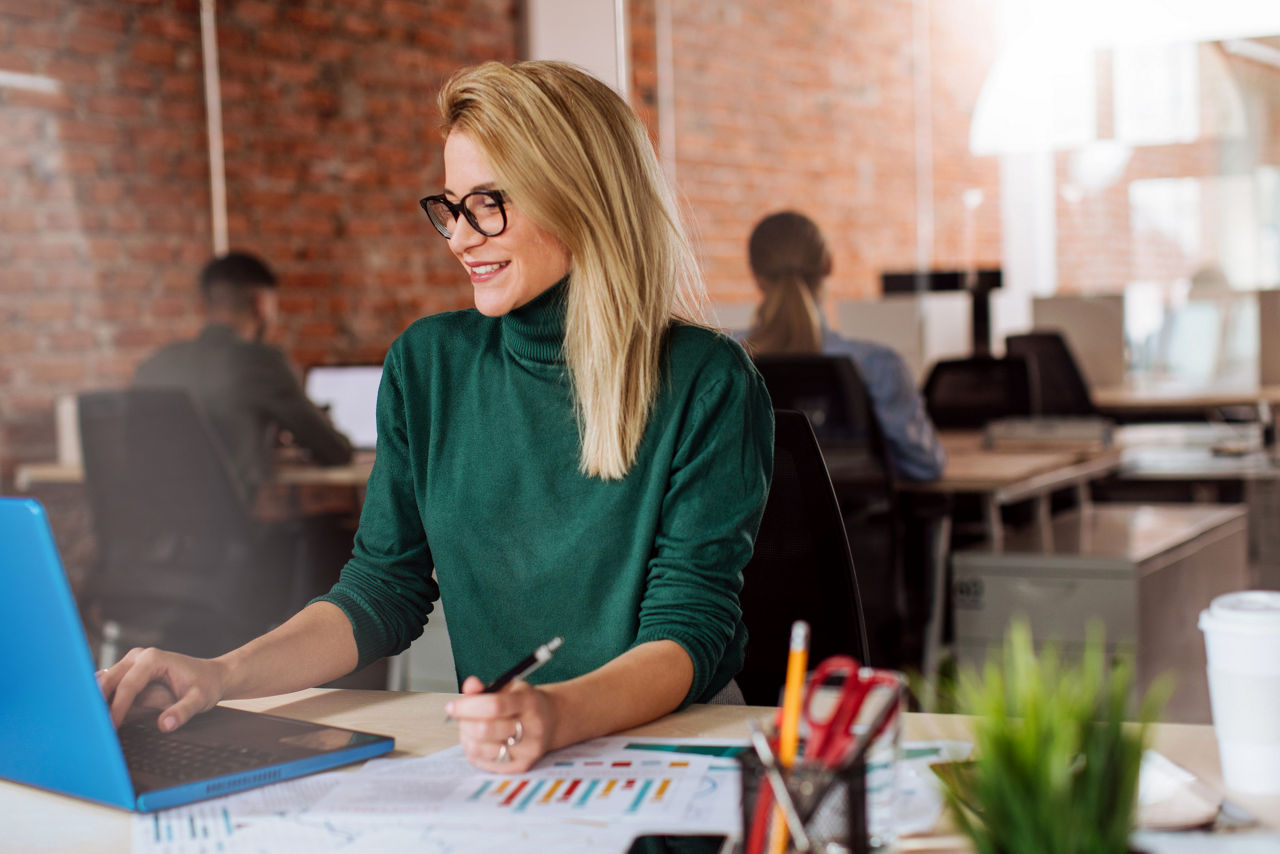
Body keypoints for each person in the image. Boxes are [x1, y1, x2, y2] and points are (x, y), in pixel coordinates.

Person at [99, 60, 774, 777]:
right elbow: (381, 590)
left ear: (579, 195)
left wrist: (557, 713)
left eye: (489, 204)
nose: (459, 238)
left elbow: (688, 630)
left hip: (674, 747)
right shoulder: (428, 365)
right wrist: (221, 674)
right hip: (511, 748)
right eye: (451, 207)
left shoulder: (705, 379)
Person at [740, 210, 945, 481]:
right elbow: (924, 465)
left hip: (755, 525)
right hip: (860, 521)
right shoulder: (878, 365)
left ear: (756, 275)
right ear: (828, 265)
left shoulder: (724, 361)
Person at [134, 251, 354, 500]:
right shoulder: (263, 362)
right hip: (228, 530)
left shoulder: (156, 364)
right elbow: (335, 451)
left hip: (155, 528)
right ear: (261, 303)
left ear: (205, 304)